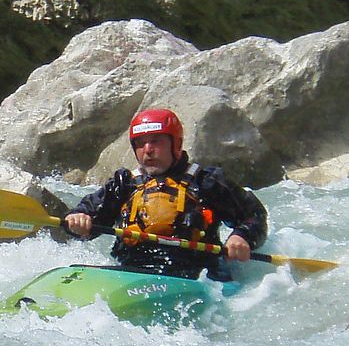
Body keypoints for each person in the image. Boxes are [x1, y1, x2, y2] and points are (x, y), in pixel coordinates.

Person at [62, 108, 268, 279]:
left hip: (197, 276)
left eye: (156, 141)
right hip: (134, 273)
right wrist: (78, 219)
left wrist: (241, 236)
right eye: (141, 143)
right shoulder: (123, 184)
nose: (148, 149)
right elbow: (88, 217)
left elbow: (255, 216)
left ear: (176, 144)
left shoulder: (207, 181)